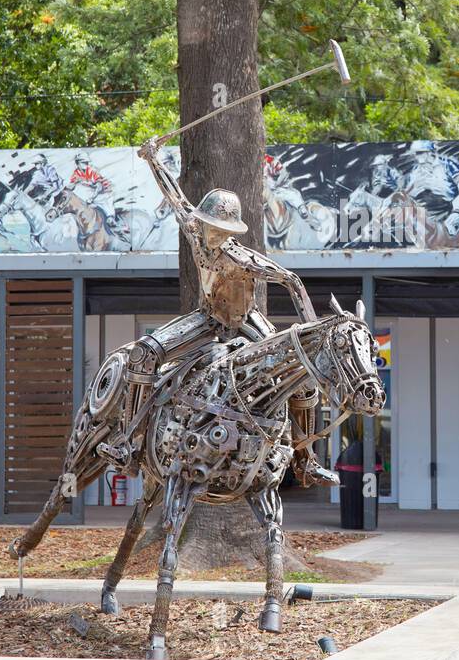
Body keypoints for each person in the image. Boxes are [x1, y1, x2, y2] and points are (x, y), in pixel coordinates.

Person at [98, 137, 338, 488]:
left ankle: (306, 460)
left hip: (245, 323)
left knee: (298, 378)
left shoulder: (242, 258)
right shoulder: (195, 233)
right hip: (208, 317)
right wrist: (153, 159)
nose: (214, 234)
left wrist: (311, 330)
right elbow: (175, 197)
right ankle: (130, 445)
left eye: (222, 230)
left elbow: (291, 279)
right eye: (211, 226)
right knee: (143, 353)